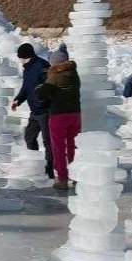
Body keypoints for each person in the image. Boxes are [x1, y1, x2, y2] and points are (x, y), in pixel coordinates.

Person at [36, 60, 81, 191]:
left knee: (59, 148)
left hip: (59, 115)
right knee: (74, 146)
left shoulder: (55, 76)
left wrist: (39, 88)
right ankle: (76, 176)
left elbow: (41, 94)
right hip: (75, 115)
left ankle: (62, 179)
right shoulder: (74, 74)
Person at [11, 43, 53, 179]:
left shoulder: (42, 66)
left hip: (45, 111)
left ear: (25, 56)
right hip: (34, 111)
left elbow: (50, 87)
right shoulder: (27, 69)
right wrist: (18, 99)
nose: (19, 59)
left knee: (48, 142)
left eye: (20, 57)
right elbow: (26, 87)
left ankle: (49, 169)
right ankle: (36, 164)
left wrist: (44, 102)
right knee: (29, 137)